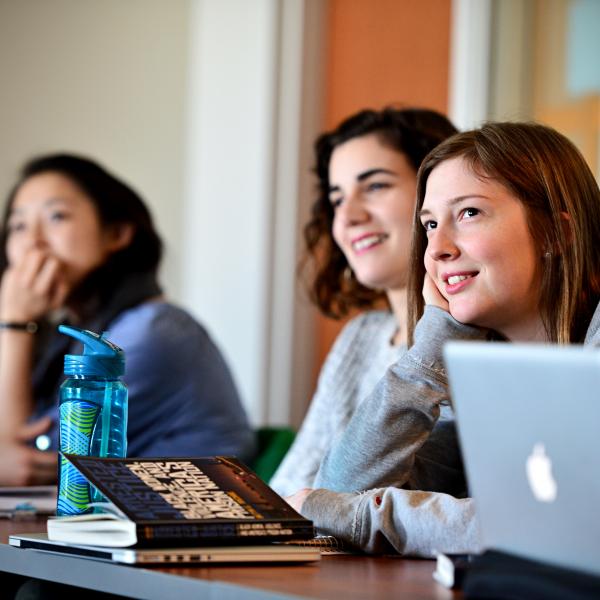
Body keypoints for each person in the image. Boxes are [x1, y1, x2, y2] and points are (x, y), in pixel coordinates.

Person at [286, 121, 600, 556]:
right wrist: (432, 349)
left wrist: (368, 518)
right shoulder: (486, 368)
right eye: (430, 224)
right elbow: (340, 490)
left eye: (469, 213)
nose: (437, 249)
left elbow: (569, 525)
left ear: (557, 233)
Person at [0, 154, 256, 486]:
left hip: (191, 530)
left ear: (117, 233)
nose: (32, 240)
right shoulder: (77, 336)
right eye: (18, 225)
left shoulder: (153, 333)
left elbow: (27, 460)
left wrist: (14, 323)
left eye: (56, 216)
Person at [270, 107, 457, 496]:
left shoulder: (470, 343)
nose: (348, 216)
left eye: (374, 186)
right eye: (337, 199)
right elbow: (288, 487)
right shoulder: (359, 337)